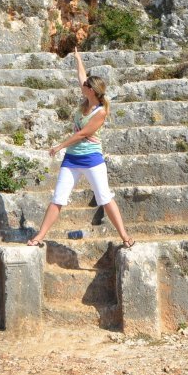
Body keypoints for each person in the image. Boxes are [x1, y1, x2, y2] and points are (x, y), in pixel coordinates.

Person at [26, 48, 135, 248]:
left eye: (85, 86)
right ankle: (39, 236)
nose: (82, 85)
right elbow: (82, 76)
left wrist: (60, 146)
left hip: (91, 159)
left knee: (104, 197)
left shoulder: (100, 112)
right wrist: (77, 58)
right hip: (72, 160)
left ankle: (125, 237)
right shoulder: (85, 101)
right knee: (58, 197)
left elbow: (83, 134)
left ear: (91, 90)